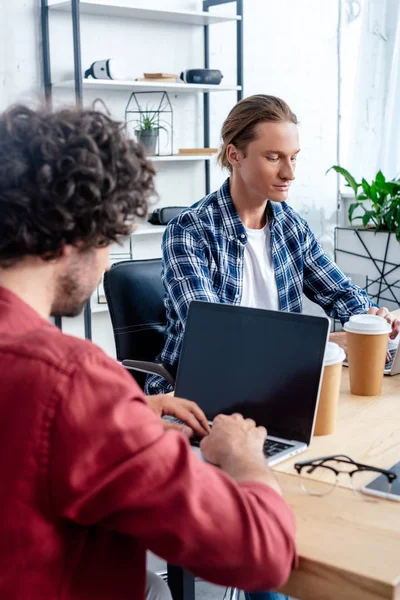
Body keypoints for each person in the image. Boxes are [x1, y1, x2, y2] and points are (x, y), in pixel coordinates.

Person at [0, 104, 298, 600]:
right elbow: (262, 551)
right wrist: (246, 460)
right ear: (76, 235)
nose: (106, 262)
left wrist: (130, 412)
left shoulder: (71, 390)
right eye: (112, 239)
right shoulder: (73, 383)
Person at [145, 94, 400, 397]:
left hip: (276, 386)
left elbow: (340, 293)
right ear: (234, 155)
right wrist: (320, 344)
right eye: (274, 157)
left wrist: (371, 317)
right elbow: (214, 337)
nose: (289, 173)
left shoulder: (291, 226)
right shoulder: (189, 232)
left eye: (293, 157)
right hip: (197, 394)